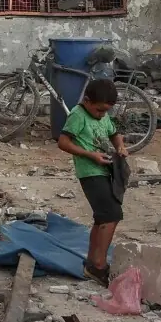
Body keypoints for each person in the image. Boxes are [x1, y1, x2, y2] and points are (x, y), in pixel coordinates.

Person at [57, 78, 130, 284]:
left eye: (105, 111)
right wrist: (90, 155)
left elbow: (115, 134)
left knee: (102, 217)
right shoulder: (78, 115)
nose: (101, 115)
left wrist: (120, 147)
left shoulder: (103, 116)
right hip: (89, 171)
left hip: (105, 169)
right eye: (98, 110)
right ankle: (98, 265)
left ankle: (92, 262)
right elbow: (63, 142)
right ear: (87, 101)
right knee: (111, 214)